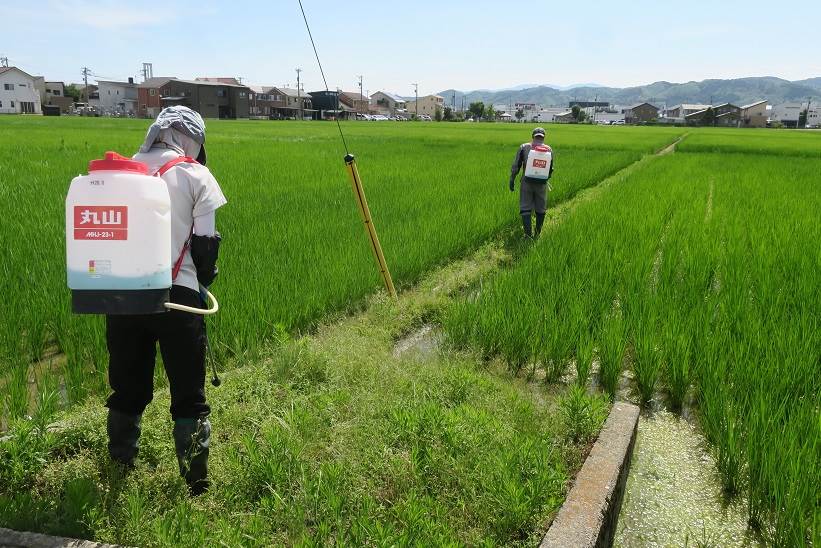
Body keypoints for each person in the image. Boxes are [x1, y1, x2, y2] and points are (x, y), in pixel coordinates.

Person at [105, 106, 226, 495]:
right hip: (179, 300)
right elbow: (206, 249)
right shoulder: (195, 174)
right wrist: (202, 279)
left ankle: (121, 464)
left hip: (123, 297)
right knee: (188, 396)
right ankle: (196, 486)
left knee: (128, 386)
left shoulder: (118, 173)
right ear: (190, 138)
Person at [509, 127, 554, 238]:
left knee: (525, 207)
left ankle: (527, 235)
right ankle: (537, 234)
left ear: (532, 136)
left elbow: (516, 166)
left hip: (526, 182)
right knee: (541, 208)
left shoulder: (524, 147)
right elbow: (550, 169)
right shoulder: (549, 149)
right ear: (543, 137)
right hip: (542, 184)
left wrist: (512, 179)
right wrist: (545, 179)